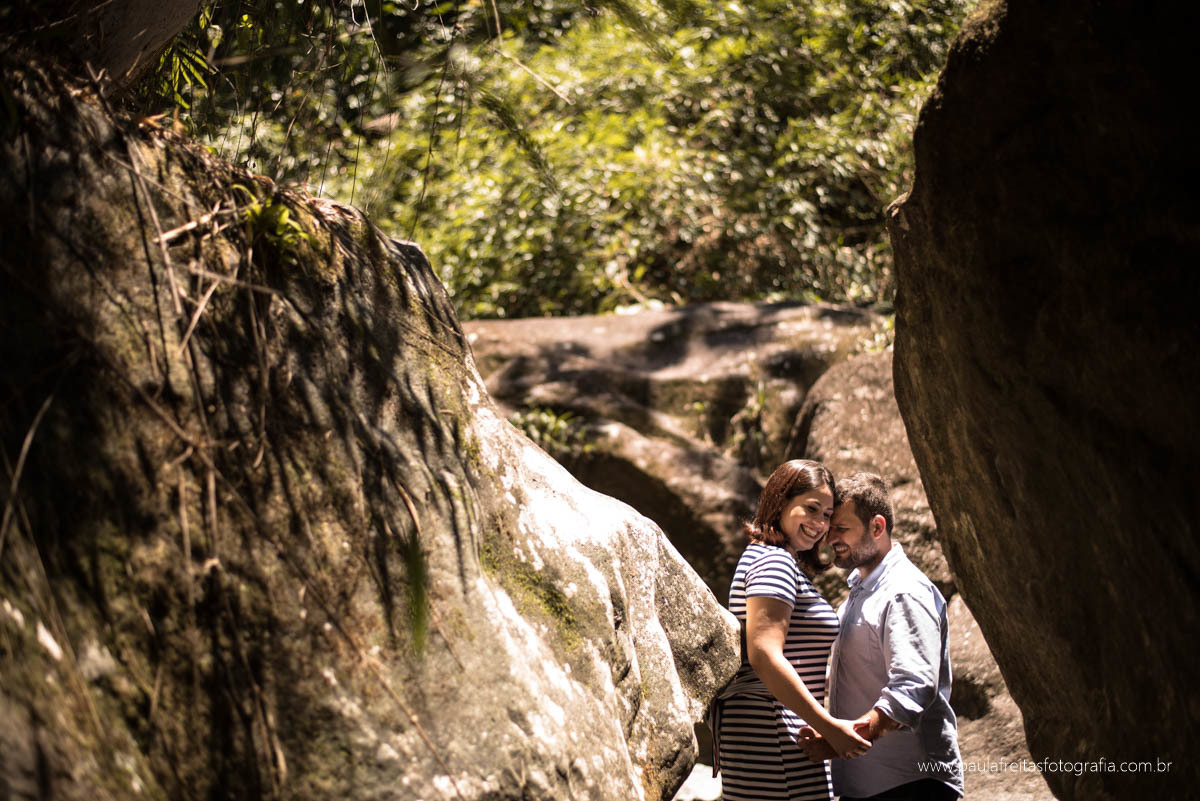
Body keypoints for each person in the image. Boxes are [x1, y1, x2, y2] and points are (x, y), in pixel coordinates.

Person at [710, 459, 872, 801]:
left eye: (827, 515)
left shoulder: (765, 557)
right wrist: (830, 727)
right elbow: (764, 654)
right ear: (780, 501)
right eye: (811, 508)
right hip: (773, 730)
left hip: (764, 728)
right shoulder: (775, 562)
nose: (820, 524)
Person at [798, 472, 964, 801]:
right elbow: (867, 669)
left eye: (841, 528)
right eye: (830, 529)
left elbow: (912, 687)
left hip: (911, 784)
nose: (830, 539)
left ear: (877, 527)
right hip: (870, 783)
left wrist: (840, 741)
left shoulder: (903, 592)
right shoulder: (862, 591)